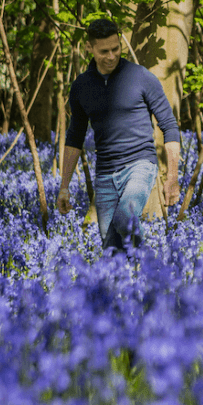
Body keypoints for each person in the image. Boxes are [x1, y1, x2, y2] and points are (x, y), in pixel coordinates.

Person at [56, 19, 181, 250]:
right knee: (112, 249)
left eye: (116, 48)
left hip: (140, 164)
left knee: (126, 218)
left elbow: (170, 126)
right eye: (104, 51)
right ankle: (137, 284)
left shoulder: (141, 77)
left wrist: (172, 177)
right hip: (105, 175)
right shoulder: (82, 86)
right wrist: (64, 186)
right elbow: (75, 137)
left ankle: (153, 269)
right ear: (89, 48)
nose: (112, 56)